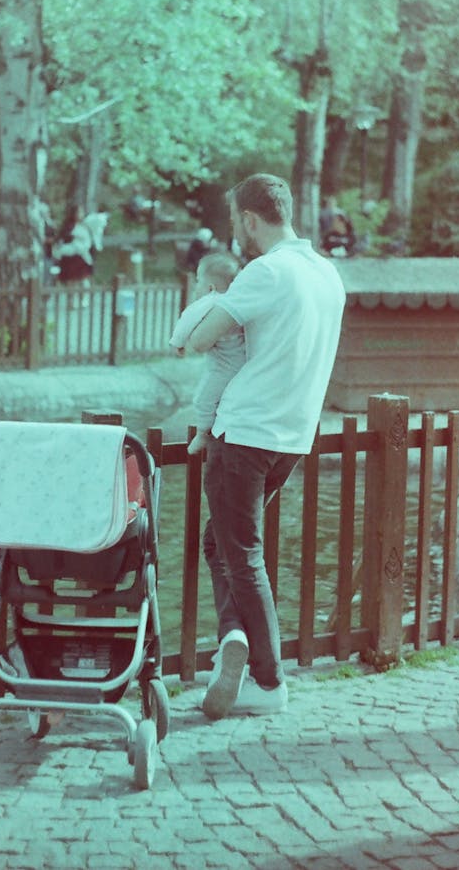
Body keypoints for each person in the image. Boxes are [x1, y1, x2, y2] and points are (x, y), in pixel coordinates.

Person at [185, 173, 345, 719]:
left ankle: (268, 679)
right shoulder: (328, 275)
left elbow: (202, 339)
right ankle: (236, 639)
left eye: (236, 222)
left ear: (252, 219)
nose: (237, 232)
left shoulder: (267, 272)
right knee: (224, 544)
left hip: (245, 433)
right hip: (293, 437)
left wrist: (206, 302)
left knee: (239, 553)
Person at [169, 251, 245, 456]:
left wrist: (177, 342)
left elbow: (187, 317)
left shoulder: (211, 300)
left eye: (197, 281)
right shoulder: (237, 300)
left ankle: (203, 433)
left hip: (223, 366)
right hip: (240, 363)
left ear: (210, 287)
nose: (195, 288)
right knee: (219, 397)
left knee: (203, 398)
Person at [55, 205, 95, 284]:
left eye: (81, 212)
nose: (80, 214)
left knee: (83, 281)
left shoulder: (85, 226)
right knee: (71, 282)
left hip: (82, 258)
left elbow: (89, 242)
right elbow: (61, 241)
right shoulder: (68, 227)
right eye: (78, 212)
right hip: (70, 258)